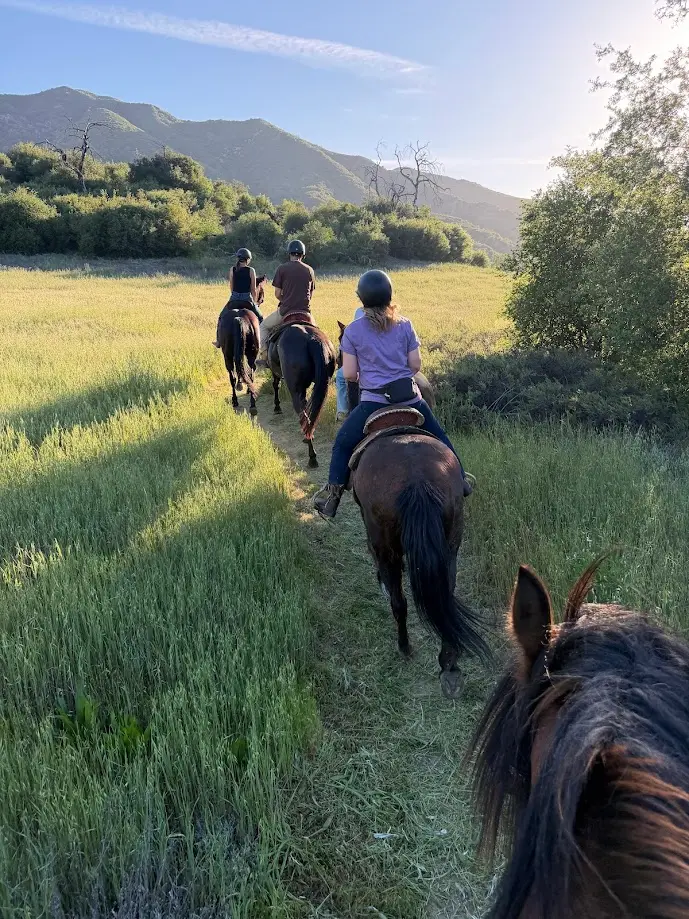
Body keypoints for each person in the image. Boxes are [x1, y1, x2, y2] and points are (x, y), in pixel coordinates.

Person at [313, 269, 473, 519]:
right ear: (389, 295)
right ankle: (461, 479)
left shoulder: (353, 331)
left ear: (362, 299)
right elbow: (415, 366)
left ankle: (332, 497)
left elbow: (350, 374)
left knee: (342, 443)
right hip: (410, 399)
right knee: (440, 435)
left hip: (373, 404)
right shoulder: (406, 324)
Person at [258, 239, 316, 361]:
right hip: (305, 312)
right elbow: (310, 295)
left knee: (263, 327)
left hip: (286, 310)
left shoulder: (282, 268)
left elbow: (277, 293)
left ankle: (263, 357)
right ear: (302, 254)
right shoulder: (309, 270)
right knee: (317, 334)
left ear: (289, 253)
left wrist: (287, 299)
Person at [213, 248, 263, 347]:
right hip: (247, 299)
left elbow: (231, 286)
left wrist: (235, 296)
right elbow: (253, 289)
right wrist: (254, 302)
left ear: (238, 258)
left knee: (221, 317)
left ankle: (218, 341)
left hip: (234, 298)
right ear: (248, 259)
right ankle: (261, 342)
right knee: (261, 318)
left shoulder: (232, 269)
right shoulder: (251, 270)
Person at [335, 306, 365, 420]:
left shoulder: (359, 313)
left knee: (340, 376)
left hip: (364, 367)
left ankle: (343, 411)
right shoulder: (401, 323)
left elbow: (350, 375)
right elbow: (415, 365)